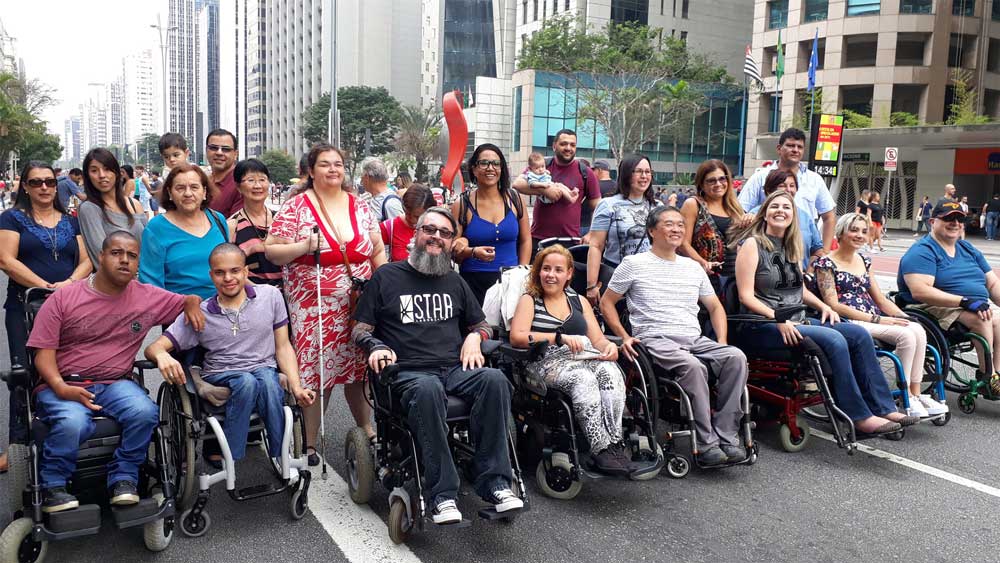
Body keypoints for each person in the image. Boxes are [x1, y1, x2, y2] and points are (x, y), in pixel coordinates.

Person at [352, 206, 524, 524]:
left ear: (451, 243)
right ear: (416, 234)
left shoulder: (455, 282)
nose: (436, 237)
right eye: (430, 230)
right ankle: (442, 494)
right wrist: (375, 346)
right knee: (428, 388)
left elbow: (482, 325)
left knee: (495, 380)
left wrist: (476, 337)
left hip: (455, 368)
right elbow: (360, 329)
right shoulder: (386, 276)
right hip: (407, 371)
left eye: (445, 233)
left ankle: (496, 484)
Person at [25, 230, 204, 512]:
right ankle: (53, 485)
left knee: (145, 413)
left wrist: (191, 302)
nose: (124, 261)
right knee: (74, 423)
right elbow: (43, 355)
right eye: (117, 253)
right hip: (64, 383)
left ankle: (123, 477)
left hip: (114, 382)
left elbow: (185, 300)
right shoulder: (63, 299)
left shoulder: (146, 296)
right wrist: (60, 386)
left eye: (132, 256)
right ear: (101, 257)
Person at [732, 190, 916, 435]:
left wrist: (824, 306)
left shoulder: (791, 246)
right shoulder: (753, 245)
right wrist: (777, 318)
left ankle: (882, 407)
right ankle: (858, 416)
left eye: (787, 208)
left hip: (796, 320)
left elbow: (798, 289)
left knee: (857, 334)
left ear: (793, 216)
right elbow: (745, 295)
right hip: (763, 325)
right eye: (775, 206)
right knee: (834, 339)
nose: (780, 211)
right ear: (764, 212)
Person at [599, 206, 749, 465]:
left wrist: (721, 342)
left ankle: (726, 436)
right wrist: (623, 336)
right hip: (655, 339)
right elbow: (606, 302)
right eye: (669, 224)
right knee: (693, 368)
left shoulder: (692, 267)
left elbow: (715, 307)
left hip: (693, 337)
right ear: (651, 231)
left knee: (735, 357)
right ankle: (706, 443)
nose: (677, 229)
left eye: (680, 224)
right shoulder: (633, 264)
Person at [265, 143, 386, 464]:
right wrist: (304, 245)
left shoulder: (360, 205)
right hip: (312, 306)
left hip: (358, 303)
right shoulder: (296, 207)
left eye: (338, 164)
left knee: (360, 369)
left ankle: (366, 428)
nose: (333, 169)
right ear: (310, 170)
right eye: (324, 164)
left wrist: (384, 286)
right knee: (317, 374)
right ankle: (309, 443)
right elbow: (272, 251)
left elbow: (376, 249)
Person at [145, 244, 315, 464]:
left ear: (245, 272)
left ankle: (281, 455)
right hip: (221, 372)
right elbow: (153, 348)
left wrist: (297, 386)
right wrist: (162, 356)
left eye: (235, 271)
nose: (228, 278)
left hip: (262, 368)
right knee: (247, 381)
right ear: (211, 275)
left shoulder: (271, 296)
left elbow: (282, 346)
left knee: (268, 380)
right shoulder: (202, 313)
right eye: (220, 272)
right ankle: (231, 457)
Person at [510, 245, 642, 477]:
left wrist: (610, 347)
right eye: (546, 269)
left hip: (583, 355)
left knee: (610, 372)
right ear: (538, 272)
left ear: (569, 273)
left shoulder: (578, 301)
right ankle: (599, 448)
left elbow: (598, 339)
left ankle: (614, 445)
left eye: (558, 270)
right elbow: (518, 337)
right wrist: (557, 337)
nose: (551, 274)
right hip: (545, 361)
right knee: (583, 379)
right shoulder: (530, 300)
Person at [0, 162, 92, 473]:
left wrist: (66, 286)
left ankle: (70, 430)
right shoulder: (12, 219)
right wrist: (43, 287)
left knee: (70, 367)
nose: (44, 188)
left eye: (49, 182)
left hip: (68, 306)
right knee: (23, 372)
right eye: (36, 182)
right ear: (24, 186)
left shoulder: (71, 220)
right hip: (24, 307)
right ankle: (18, 445)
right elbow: (5, 260)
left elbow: (87, 260)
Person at [815, 213, 948, 418]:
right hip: (849, 320)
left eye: (863, 231)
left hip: (872, 315)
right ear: (840, 233)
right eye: (854, 230)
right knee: (905, 336)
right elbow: (833, 304)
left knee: (917, 329)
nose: (859, 235)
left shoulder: (864, 260)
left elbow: (880, 299)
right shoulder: (826, 263)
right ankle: (903, 397)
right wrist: (878, 319)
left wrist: (905, 316)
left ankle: (915, 392)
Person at [898, 200, 1000, 396]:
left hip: (975, 305)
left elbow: (993, 284)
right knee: (983, 318)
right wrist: (964, 301)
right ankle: (988, 375)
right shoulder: (923, 251)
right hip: (935, 306)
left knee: (997, 318)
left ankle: (996, 374)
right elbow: (921, 291)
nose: (955, 223)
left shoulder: (968, 248)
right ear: (932, 222)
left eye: (959, 219)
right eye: (948, 218)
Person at [451, 143, 530, 304]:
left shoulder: (516, 199)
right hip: (473, 283)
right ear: (473, 168)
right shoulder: (462, 204)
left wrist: (522, 273)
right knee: (476, 329)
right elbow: (453, 251)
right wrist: (472, 252)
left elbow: (526, 240)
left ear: (501, 169)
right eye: (484, 163)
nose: (490, 168)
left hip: (511, 282)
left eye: (495, 163)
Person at [738, 128, 836, 251]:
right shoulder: (760, 177)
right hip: (767, 247)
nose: (795, 150)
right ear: (779, 148)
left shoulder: (814, 180)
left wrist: (824, 253)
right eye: (790, 145)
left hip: (803, 248)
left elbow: (829, 217)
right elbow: (740, 211)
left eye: (799, 147)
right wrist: (751, 216)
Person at [139, 163, 229, 299]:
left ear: (204, 192)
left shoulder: (218, 220)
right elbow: (151, 286)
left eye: (194, 187)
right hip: (179, 314)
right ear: (170, 193)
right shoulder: (156, 228)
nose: (188, 193)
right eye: (180, 188)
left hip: (224, 311)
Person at [586, 154, 662, 304]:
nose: (644, 176)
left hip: (649, 279)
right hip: (616, 276)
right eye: (638, 171)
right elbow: (596, 246)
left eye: (648, 172)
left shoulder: (658, 207)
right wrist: (592, 285)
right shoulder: (607, 205)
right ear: (627, 174)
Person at [512, 129, 601, 252]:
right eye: (563, 144)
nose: (568, 148)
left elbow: (598, 207)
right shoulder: (542, 166)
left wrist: (592, 233)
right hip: (539, 240)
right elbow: (517, 184)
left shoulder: (585, 172)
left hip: (571, 242)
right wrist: (544, 191)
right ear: (554, 146)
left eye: (572, 145)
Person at [679, 159, 745, 294]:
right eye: (711, 180)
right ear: (701, 184)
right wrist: (702, 262)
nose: (718, 184)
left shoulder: (735, 207)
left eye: (722, 179)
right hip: (704, 277)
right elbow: (683, 243)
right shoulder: (693, 204)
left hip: (733, 278)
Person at [78, 149, 148, 268]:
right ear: (88, 176)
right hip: (118, 281)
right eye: (94, 170)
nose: (102, 175)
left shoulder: (134, 204)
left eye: (107, 169)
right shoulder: (89, 208)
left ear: (116, 172)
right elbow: (102, 256)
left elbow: (149, 245)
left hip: (146, 277)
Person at [746, 170, 823, 272]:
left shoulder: (805, 217)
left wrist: (807, 275)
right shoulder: (755, 214)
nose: (788, 189)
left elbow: (817, 250)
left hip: (799, 279)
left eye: (792, 185)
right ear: (769, 190)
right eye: (782, 185)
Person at [227, 159, 283, 288]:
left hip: (286, 295)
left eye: (262, 180)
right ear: (238, 187)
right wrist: (261, 293)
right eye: (251, 180)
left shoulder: (281, 219)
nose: (257, 186)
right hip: (252, 296)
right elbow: (230, 267)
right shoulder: (232, 225)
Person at [381, 183, 434, 262]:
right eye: (407, 213)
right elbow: (374, 251)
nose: (412, 220)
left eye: (418, 217)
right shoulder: (390, 227)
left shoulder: (438, 229)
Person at [204, 129, 243, 217]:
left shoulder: (241, 184)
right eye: (213, 148)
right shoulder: (200, 181)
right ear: (206, 150)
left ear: (235, 154)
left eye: (226, 149)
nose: (219, 152)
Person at [361, 158, 403, 222]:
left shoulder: (391, 204)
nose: (361, 181)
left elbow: (399, 230)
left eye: (362, 177)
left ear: (367, 177)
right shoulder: (370, 198)